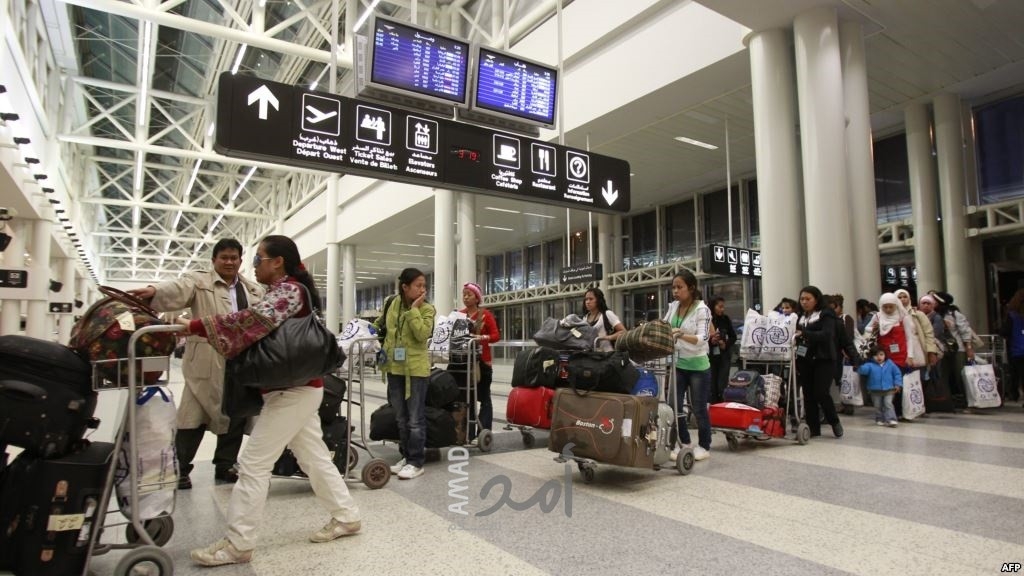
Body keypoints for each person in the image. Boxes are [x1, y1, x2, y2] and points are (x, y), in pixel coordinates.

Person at [182, 235, 361, 567]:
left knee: (253, 463)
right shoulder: (282, 291)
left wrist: (194, 325)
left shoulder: (290, 291)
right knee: (313, 457)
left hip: (293, 392)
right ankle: (347, 516)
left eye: (257, 259)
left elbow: (248, 323)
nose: (253, 266)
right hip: (299, 388)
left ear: (277, 262)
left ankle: (238, 543)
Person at [129, 238, 264, 489]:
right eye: (224, 257)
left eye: (234, 258)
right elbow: (177, 288)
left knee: (236, 413)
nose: (229, 262)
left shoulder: (252, 289)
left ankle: (225, 465)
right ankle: (180, 469)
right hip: (205, 360)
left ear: (240, 260)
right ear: (214, 260)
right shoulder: (199, 281)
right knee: (192, 417)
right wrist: (154, 291)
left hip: (242, 360)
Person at [373, 268, 436, 480]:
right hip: (394, 367)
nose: (422, 289)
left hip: (416, 370)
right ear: (405, 287)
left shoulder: (427, 309)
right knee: (400, 418)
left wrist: (414, 310)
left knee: (415, 419)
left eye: (424, 285)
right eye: (418, 285)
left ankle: (416, 462)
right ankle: (406, 456)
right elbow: (381, 324)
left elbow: (422, 334)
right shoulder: (392, 303)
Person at [663, 270, 713, 462]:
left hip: (698, 366)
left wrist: (680, 334)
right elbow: (665, 326)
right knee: (673, 405)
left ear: (691, 288)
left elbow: (703, 338)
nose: (675, 291)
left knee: (699, 408)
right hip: (678, 363)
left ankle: (704, 446)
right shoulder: (673, 306)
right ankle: (684, 442)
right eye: (673, 287)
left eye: (679, 287)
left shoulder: (702, 309)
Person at [794, 285, 844, 438]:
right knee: (808, 394)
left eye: (808, 299)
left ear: (816, 300)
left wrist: (804, 333)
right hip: (804, 359)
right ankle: (813, 428)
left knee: (821, 392)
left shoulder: (826, 314)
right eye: (802, 299)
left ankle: (834, 421)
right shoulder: (799, 316)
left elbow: (827, 334)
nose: (804, 302)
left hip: (824, 358)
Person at [456, 281, 500, 441]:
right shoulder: (459, 315)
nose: (465, 298)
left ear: (477, 298)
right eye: (464, 295)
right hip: (464, 362)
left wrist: (480, 337)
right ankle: (468, 432)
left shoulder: (485, 314)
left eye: (469, 295)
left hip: (482, 363)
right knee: (468, 398)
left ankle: (484, 431)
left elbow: (496, 336)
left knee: (484, 397)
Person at [858, 347, 903, 427]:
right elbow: (863, 370)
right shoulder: (869, 365)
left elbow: (897, 373)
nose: (879, 357)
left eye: (881, 354)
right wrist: (857, 366)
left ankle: (891, 419)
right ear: (872, 356)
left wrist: (897, 384)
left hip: (889, 389)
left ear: (885, 355)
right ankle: (880, 418)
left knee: (888, 404)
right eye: (876, 355)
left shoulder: (890, 363)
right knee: (877, 406)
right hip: (875, 390)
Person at [708, 295, 737, 404]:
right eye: (720, 307)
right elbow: (701, 338)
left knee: (722, 385)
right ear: (713, 306)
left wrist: (726, 344)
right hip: (710, 357)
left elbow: (733, 337)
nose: (722, 309)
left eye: (723, 307)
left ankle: (722, 406)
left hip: (724, 356)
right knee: (711, 386)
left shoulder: (725, 319)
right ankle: (713, 407)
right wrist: (711, 341)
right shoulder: (707, 320)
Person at [1000, 288, 1024, 403]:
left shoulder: (1012, 316)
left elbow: (1005, 331)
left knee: (1016, 373)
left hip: (1017, 350)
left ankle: (1014, 394)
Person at [583, 287, 626, 352]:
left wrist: (608, 337)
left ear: (598, 300)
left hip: (609, 353)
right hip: (592, 355)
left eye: (591, 299)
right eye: (586, 299)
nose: (588, 302)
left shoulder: (607, 314)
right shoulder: (585, 319)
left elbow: (623, 331)